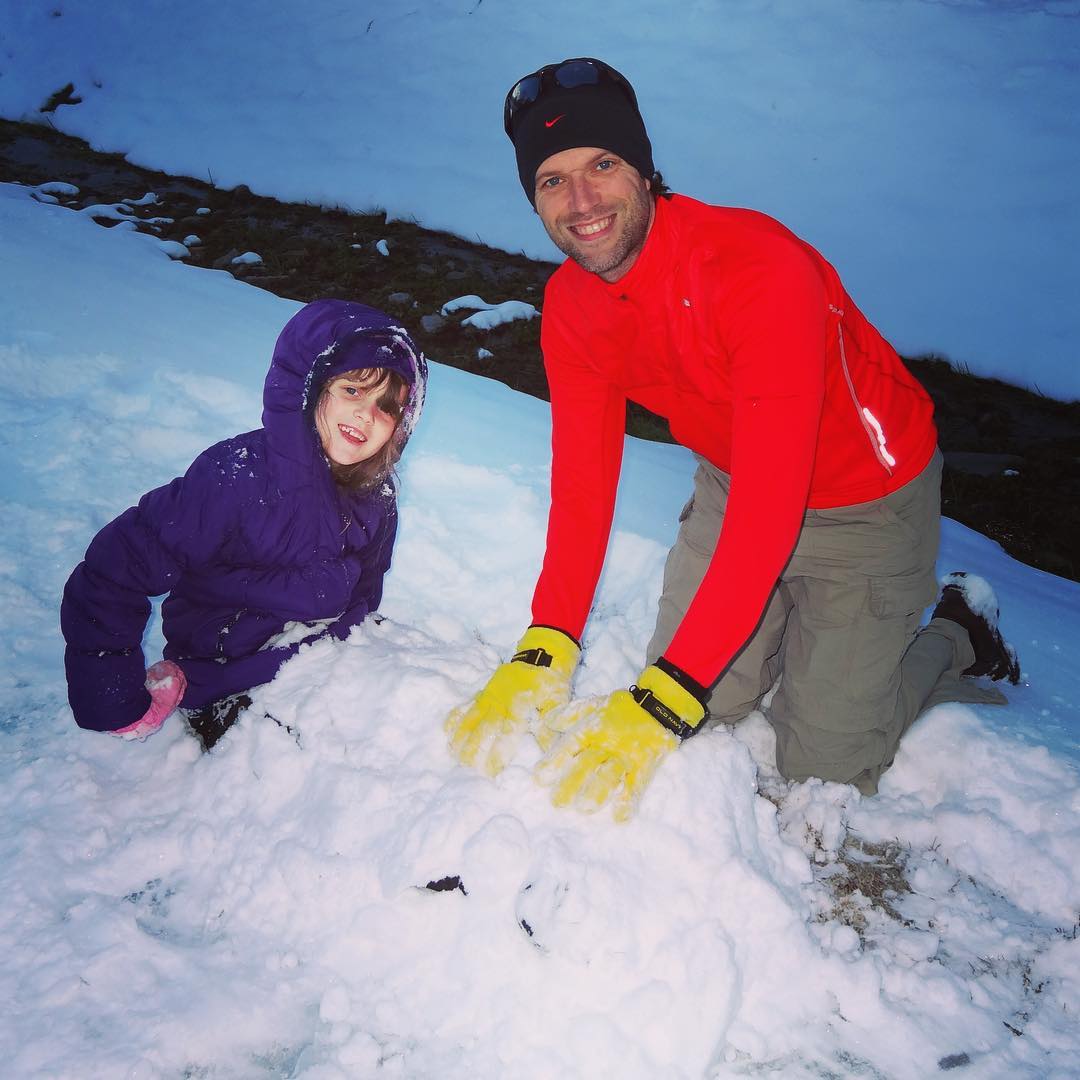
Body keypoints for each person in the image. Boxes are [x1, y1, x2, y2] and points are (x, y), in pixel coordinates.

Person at [446, 57, 1020, 819]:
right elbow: (585, 485)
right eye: (552, 180)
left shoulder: (758, 269)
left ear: (646, 172)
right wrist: (547, 640)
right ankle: (785, 634)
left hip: (864, 502)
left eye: (603, 164)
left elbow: (776, 502)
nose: (581, 201)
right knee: (701, 706)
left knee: (823, 765)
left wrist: (671, 690)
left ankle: (958, 629)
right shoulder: (572, 306)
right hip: (732, 481)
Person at [62, 300, 427, 749]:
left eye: (387, 407)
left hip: (318, 650)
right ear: (310, 387)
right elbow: (113, 571)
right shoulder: (237, 478)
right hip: (225, 677)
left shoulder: (377, 497)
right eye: (352, 390)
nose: (366, 416)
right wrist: (111, 697)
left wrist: (360, 633)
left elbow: (368, 583)